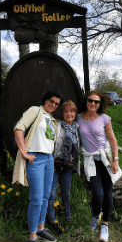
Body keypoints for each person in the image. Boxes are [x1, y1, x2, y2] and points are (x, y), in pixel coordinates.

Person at [13, 91, 63, 242]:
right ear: (45, 100)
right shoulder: (35, 111)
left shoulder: (50, 118)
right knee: (35, 199)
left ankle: (41, 229)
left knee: (45, 196)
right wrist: (24, 152)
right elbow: (19, 128)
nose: (54, 105)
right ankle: (32, 238)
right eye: (52, 101)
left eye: (57, 104)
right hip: (35, 158)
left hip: (48, 160)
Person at [77, 91, 121, 242]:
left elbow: (112, 139)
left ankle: (105, 225)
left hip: (106, 159)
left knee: (108, 192)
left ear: (100, 105)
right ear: (86, 101)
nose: (93, 104)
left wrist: (115, 160)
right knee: (97, 193)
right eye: (91, 101)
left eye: (96, 102)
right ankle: (96, 215)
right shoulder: (79, 118)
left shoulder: (104, 118)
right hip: (90, 160)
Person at [46, 100, 81, 234]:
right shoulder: (57, 125)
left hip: (68, 167)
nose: (69, 114)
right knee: (51, 194)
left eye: (72, 111)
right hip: (54, 166)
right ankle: (52, 219)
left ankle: (68, 217)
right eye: (66, 111)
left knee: (66, 193)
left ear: (75, 113)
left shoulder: (77, 128)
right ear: (63, 113)